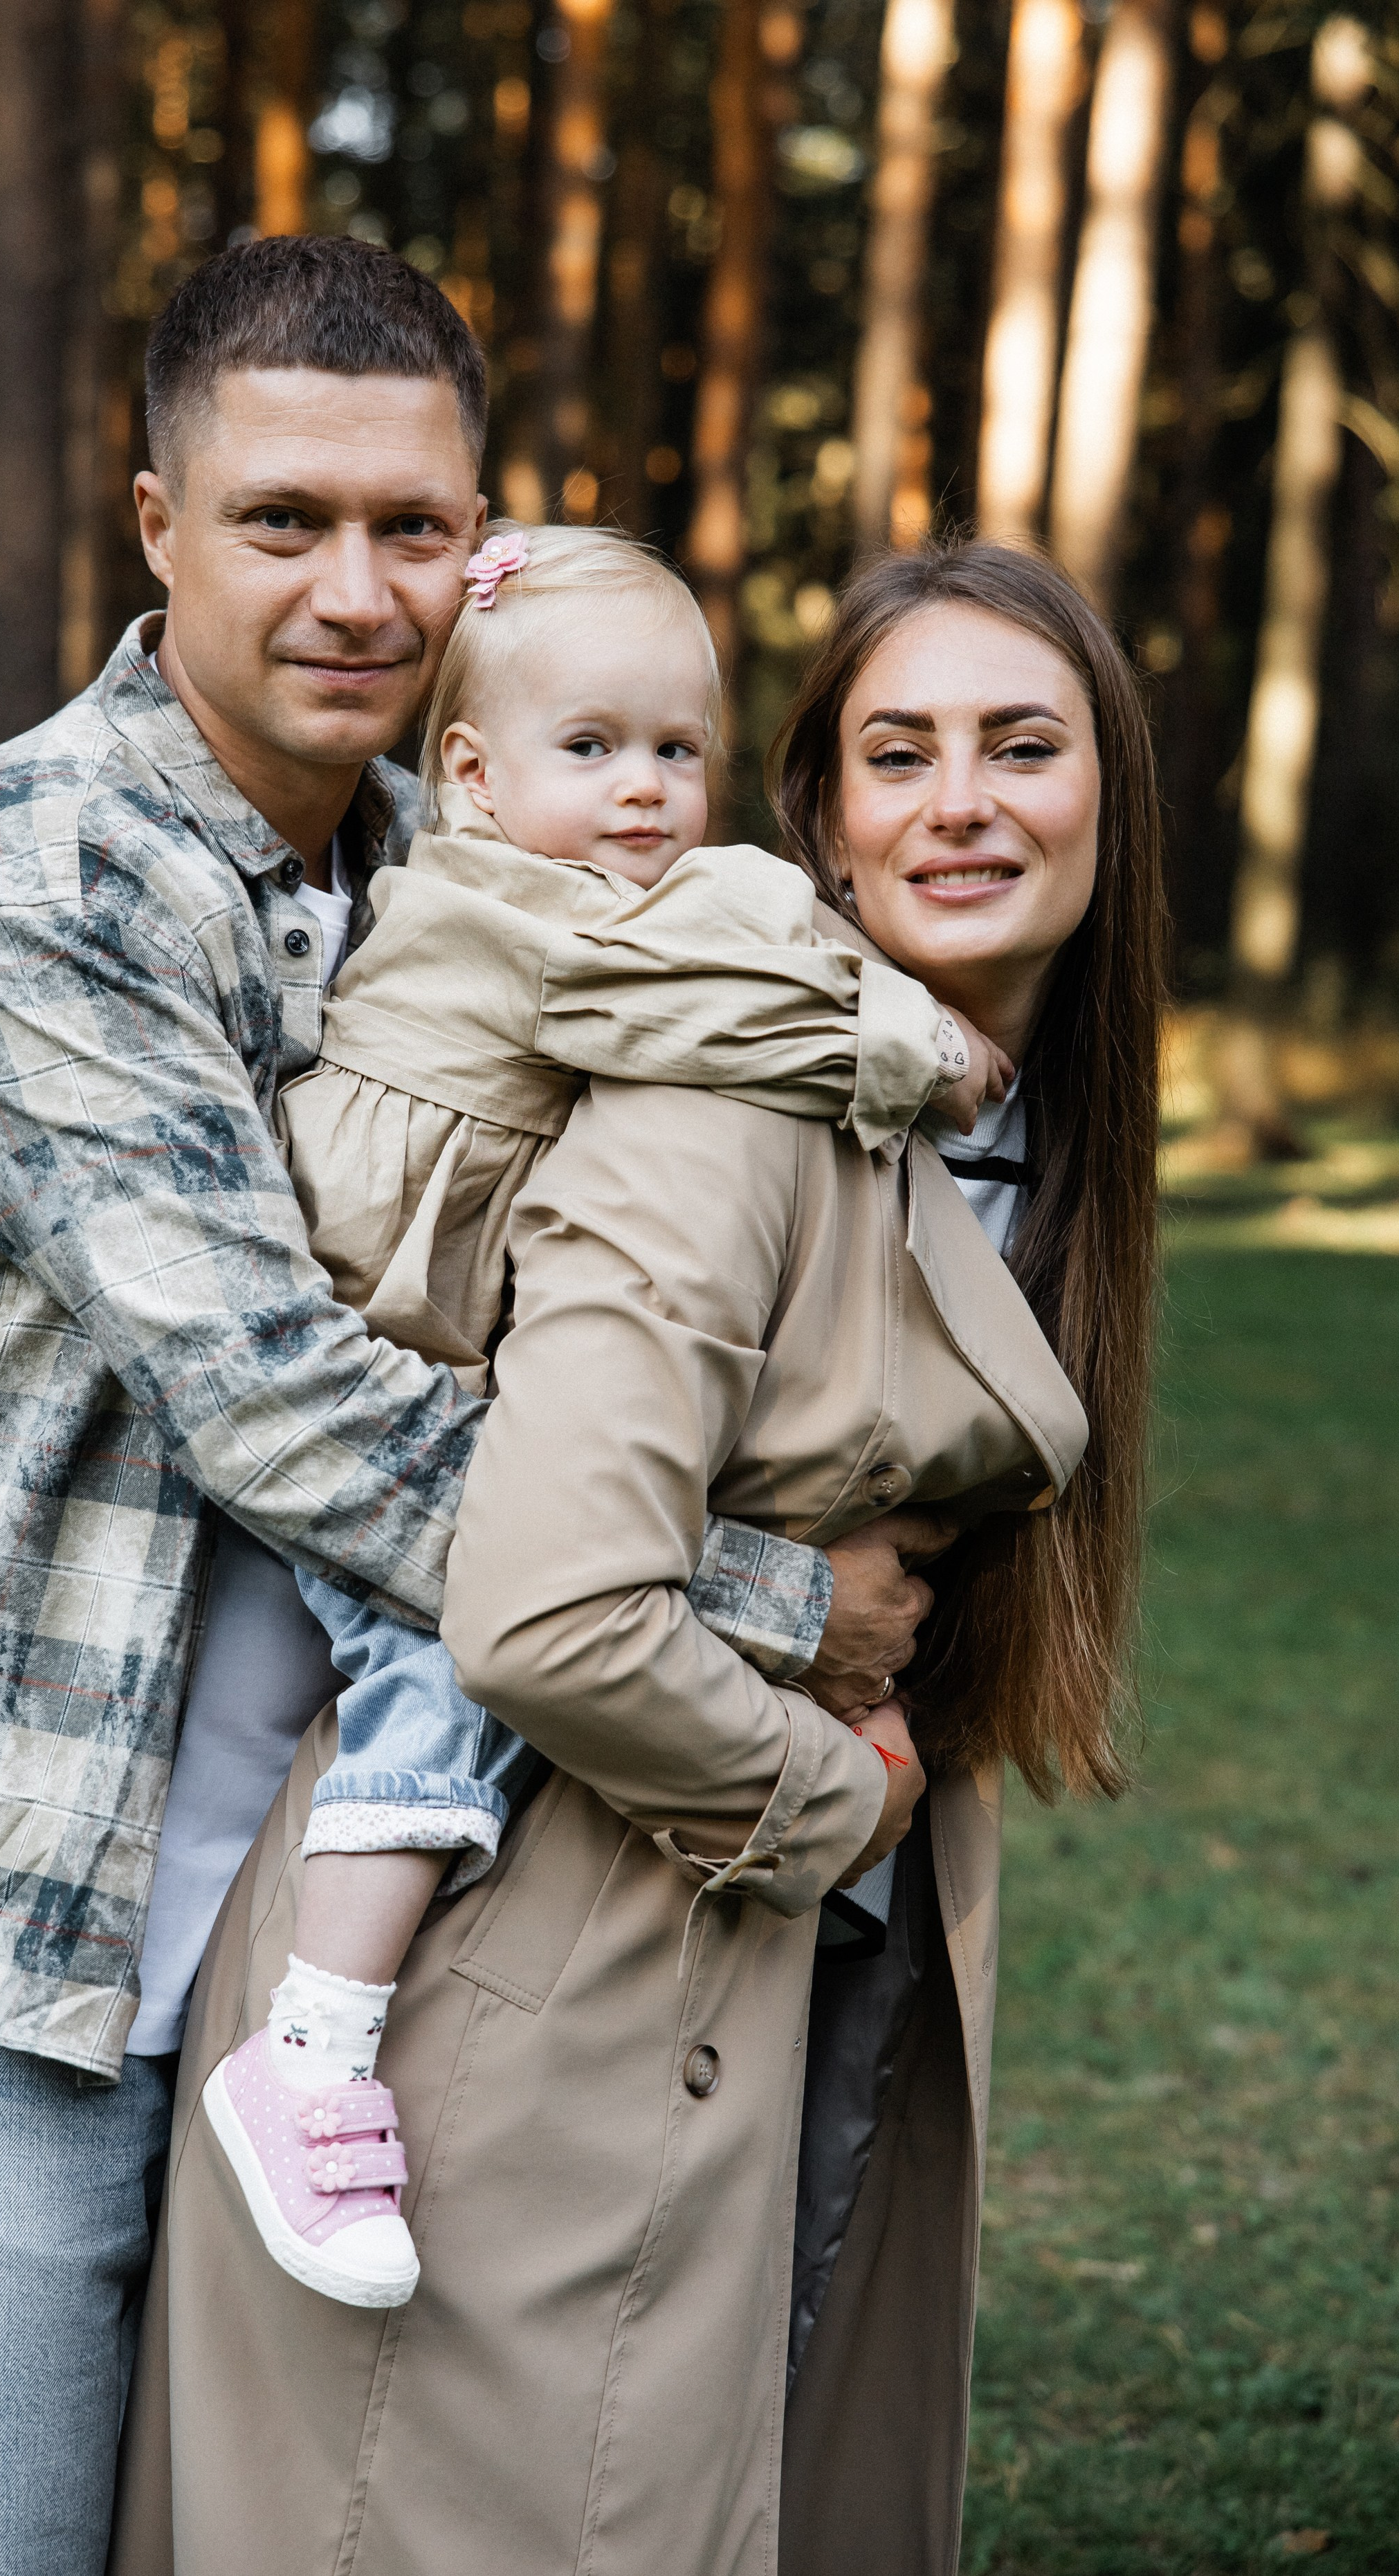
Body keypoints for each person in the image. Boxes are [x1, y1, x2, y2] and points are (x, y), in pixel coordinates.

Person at [0, 236, 934, 2576]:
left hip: (326, 1882)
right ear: (155, 524)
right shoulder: (43, 881)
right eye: (282, 518)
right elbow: (285, 1409)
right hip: (9, 1910)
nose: (355, 587)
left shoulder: (439, 856)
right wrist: (775, 1603)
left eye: (414, 526)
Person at [110, 537, 1166, 2576]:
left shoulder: (1028, 1132)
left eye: (1023, 746)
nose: (961, 802)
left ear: (1112, 790)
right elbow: (550, 1606)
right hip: (533, 1971)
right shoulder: (728, 1086)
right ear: (822, 817)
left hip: (745, 1968)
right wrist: (832, 1800)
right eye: (899, 754)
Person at [195, 519, 1014, 2310]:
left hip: (439, 1345)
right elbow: (703, 1010)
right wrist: (911, 1045)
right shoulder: (508, 912)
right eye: (591, 747)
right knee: (437, 1680)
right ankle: (312, 2045)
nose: (644, 789)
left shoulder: (595, 899)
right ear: (474, 777)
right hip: (374, 1365)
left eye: (675, 749)